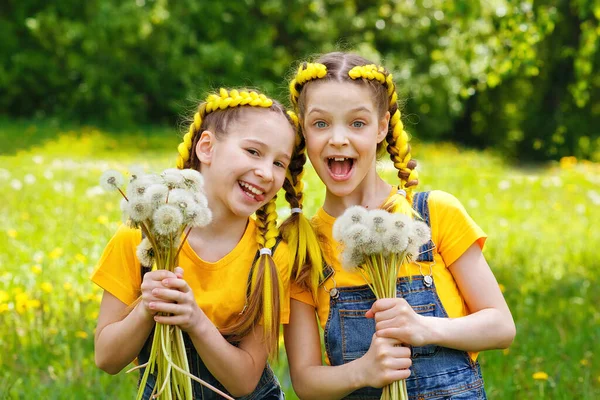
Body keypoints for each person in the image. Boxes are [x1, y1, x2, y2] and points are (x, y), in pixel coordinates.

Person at [283, 52, 516, 399]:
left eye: (357, 123)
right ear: (303, 131)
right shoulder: (303, 244)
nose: (338, 139)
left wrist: (424, 327)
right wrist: (362, 372)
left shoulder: (434, 214)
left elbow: (500, 327)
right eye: (321, 124)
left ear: (381, 127)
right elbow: (305, 381)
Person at [92, 88, 299, 399]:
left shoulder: (271, 256)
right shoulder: (139, 240)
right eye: (254, 152)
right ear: (206, 147)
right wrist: (147, 308)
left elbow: (244, 382)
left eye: (279, 163)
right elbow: (106, 358)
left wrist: (195, 321)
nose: (265, 172)